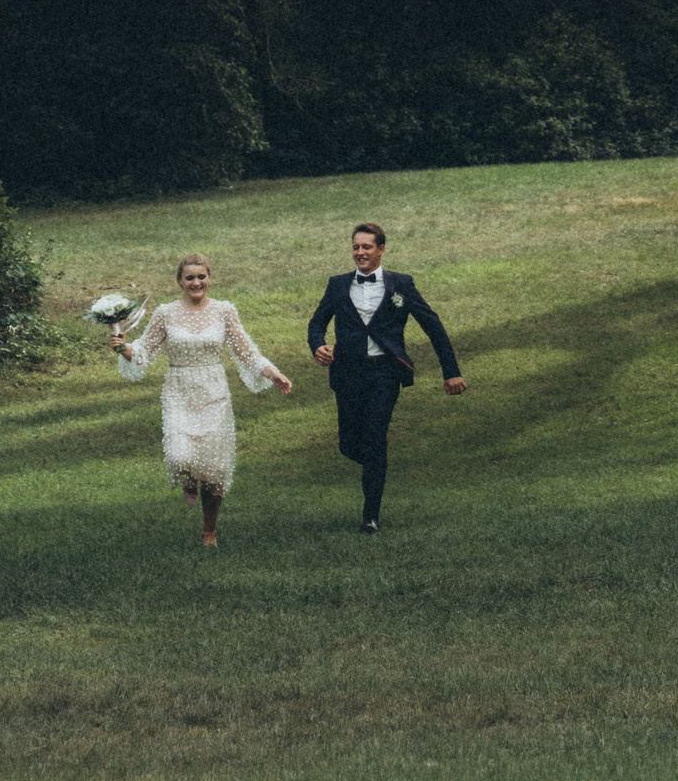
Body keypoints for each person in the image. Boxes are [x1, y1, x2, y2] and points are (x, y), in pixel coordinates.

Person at [113, 254, 291, 548]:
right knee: (179, 456)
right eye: (189, 278)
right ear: (180, 282)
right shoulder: (165, 313)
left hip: (213, 392)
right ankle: (187, 478)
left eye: (201, 277)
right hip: (179, 390)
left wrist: (273, 373)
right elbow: (144, 350)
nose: (196, 283)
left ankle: (209, 530)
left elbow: (245, 350)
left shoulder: (224, 311)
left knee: (214, 468)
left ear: (209, 278)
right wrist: (123, 349)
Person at [308, 222, 463, 534]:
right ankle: (375, 467)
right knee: (349, 443)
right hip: (348, 373)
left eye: (367, 247)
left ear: (381, 249)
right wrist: (318, 346)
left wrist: (452, 372)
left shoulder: (400, 285)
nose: (360, 252)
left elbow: (432, 324)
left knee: (375, 438)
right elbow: (316, 322)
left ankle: (370, 516)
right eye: (356, 247)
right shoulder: (337, 284)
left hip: (384, 374)